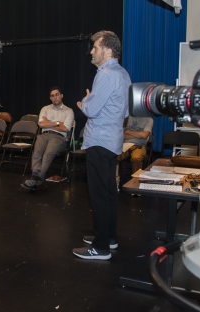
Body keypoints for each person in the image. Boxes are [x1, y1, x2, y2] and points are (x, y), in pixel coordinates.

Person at [73, 31, 131, 260]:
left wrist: (85, 100)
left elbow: (90, 109)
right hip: (112, 140)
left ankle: (101, 247)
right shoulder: (123, 74)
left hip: (99, 140)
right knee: (108, 193)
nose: (91, 51)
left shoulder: (105, 74)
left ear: (107, 50)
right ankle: (109, 237)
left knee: (98, 194)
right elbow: (125, 111)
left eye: (95, 47)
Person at [20, 87, 74, 190]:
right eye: (53, 96)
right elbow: (41, 125)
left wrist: (48, 123)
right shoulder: (45, 109)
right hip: (44, 135)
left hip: (59, 137)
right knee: (37, 152)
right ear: (50, 98)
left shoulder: (69, 111)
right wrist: (58, 123)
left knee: (48, 153)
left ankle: (36, 179)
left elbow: (66, 128)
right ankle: (35, 174)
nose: (55, 97)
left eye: (57, 94)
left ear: (61, 95)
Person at [116, 116, 153, 190]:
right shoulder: (127, 117)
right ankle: (115, 183)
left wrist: (129, 131)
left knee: (136, 157)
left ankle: (136, 185)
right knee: (114, 156)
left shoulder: (149, 119)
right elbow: (121, 135)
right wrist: (138, 135)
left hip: (139, 146)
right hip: (125, 145)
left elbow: (144, 135)